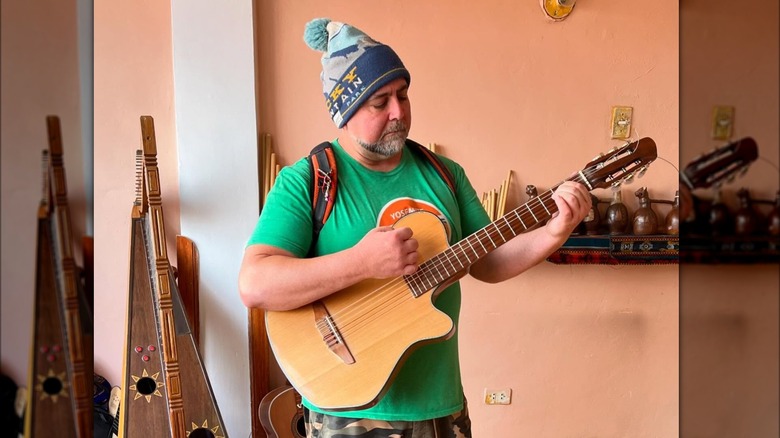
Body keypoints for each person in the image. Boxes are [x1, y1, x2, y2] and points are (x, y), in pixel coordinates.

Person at [239, 18, 592, 438]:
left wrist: (553, 234)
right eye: (380, 101)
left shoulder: (444, 175)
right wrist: (361, 262)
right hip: (347, 414)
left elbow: (488, 261)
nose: (399, 112)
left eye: (403, 95)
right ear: (345, 111)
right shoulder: (310, 180)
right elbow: (255, 284)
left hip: (440, 408)